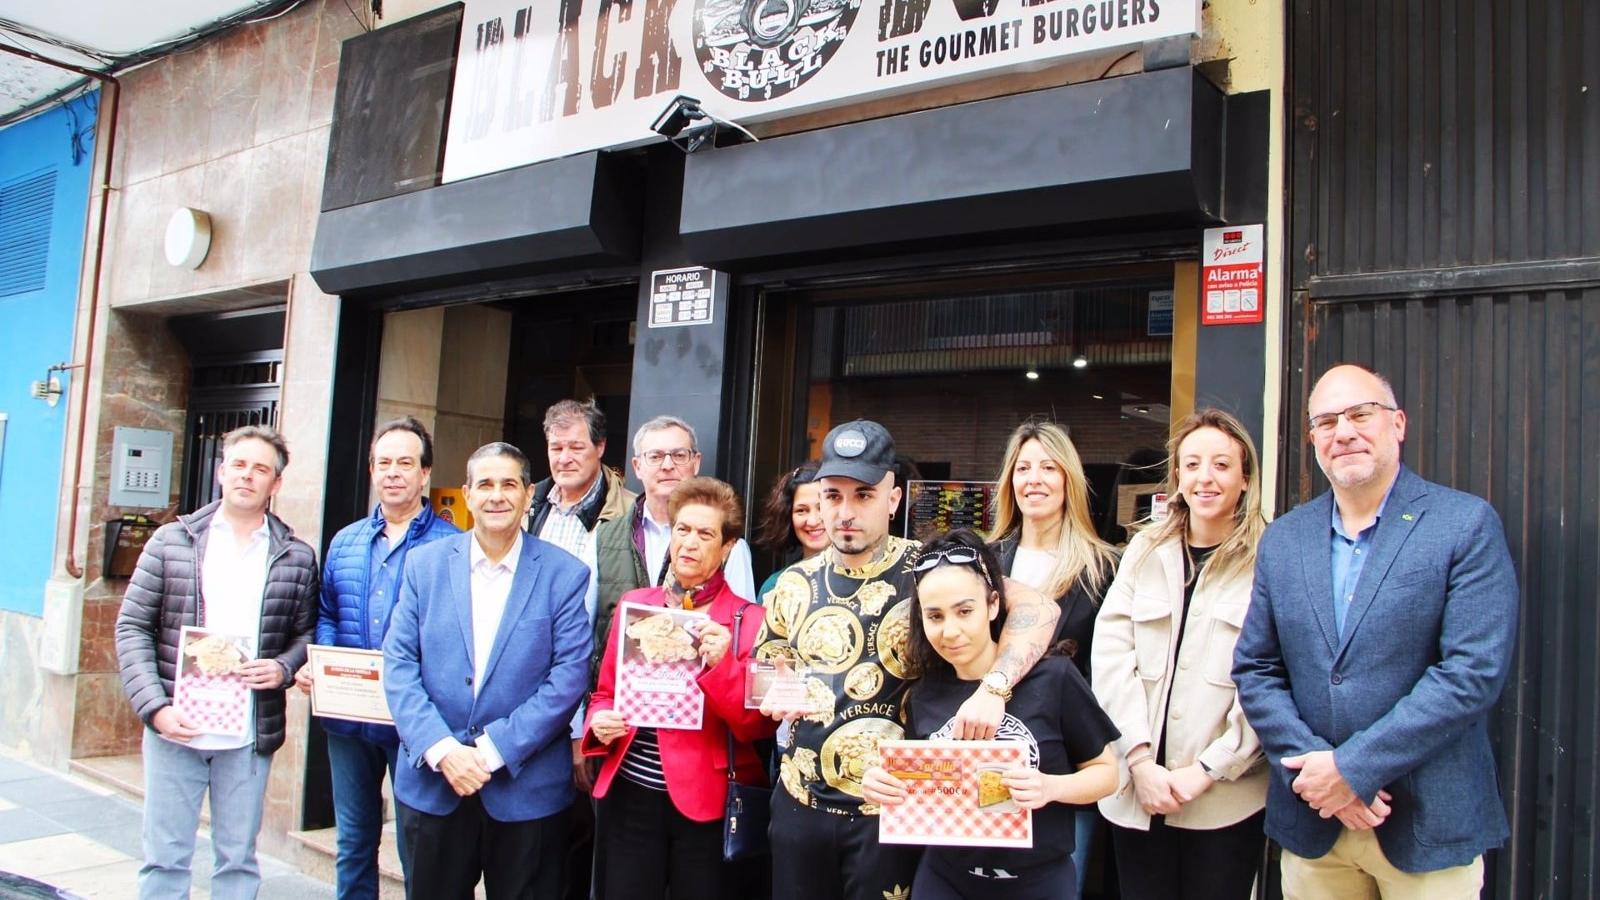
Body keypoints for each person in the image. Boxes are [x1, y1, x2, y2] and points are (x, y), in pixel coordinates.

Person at [1233, 364, 1519, 898]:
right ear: (1314, 438)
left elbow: (1471, 674)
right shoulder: (1285, 539)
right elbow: (1256, 668)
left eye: (1360, 414)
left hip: (1426, 823)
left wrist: (1352, 769)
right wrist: (1320, 778)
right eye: (1326, 421)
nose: (1343, 432)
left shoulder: (1464, 525)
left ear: (1398, 424)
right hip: (1315, 823)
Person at [756, 419, 1062, 900]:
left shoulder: (929, 567)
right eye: (833, 497)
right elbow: (769, 662)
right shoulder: (793, 582)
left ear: (893, 499)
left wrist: (994, 688)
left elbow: (1040, 607)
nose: (846, 512)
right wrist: (774, 688)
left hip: (897, 810)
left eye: (864, 495)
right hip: (799, 804)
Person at [114, 425, 319, 899]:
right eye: (240, 465)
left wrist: (284, 669)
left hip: (247, 733)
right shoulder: (172, 542)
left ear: (276, 483)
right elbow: (131, 628)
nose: (248, 476)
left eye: (261, 469)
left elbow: (306, 634)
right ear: (222, 471)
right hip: (175, 728)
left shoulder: (295, 556)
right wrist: (156, 709)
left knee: (238, 861)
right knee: (164, 859)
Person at [383, 442, 592, 898]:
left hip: (526, 790)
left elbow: (569, 677)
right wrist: (443, 749)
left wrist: (493, 750)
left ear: (528, 493)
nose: (497, 496)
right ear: (467, 494)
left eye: (509, 484)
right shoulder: (425, 566)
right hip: (434, 782)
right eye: (485, 485)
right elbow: (399, 665)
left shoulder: (564, 573)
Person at [862, 529, 1119, 899]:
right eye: (935, 616)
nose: (951, 631)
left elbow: (1108, 775)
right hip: (946, 878)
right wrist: (881, 784)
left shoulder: (1054, 679)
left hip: (1039, 880)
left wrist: (1050, 787)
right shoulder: (923, 692)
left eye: (965, 611)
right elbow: (922, 786)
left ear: (994, 605)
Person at [1090, 408, 1269, 900]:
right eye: (1191, 465)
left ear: (1245, 478)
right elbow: (1111, 657)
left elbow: (1271, 678)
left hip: (1225, 799)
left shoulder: (1270, 559)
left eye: (1220, 465)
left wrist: (1209, 769)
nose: (1204, 478)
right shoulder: (1145, 550)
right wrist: (1141, 763)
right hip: (1137, 791)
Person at [582, 477, 777, 899]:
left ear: (727, 548)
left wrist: (724, 664)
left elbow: (756, 727)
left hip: (707, 804)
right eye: (682, 530)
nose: (689, 542)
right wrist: (600, 721)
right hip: (630, 793)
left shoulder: (752, 622)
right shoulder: (638, 607)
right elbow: (603, 694)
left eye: (705, 533)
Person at [295, 417, 458, 899]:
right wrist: (321, 666)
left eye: (405, 463)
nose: (393, 473)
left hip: (415, 726)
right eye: (384, 463)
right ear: (371, 470)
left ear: (425, 473)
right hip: (349, 719)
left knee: (418, 844)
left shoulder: (449, 545)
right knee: (354, 841)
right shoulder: (345, 540)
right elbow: (328, 611)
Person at [987, 420, 1120, 893]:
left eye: (1048, 467)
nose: (1034, 479)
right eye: (1023, 468)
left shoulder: (1104, 567)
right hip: (989, 758)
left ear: (1069, 479)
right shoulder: (986, 561)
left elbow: (1112, 669)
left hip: (1069, 766)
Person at [593, 416, 756, 673]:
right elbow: (586, 628)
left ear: (696, 462)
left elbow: (741, 635)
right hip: (625, 695)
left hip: (698, 697)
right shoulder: (603, 538)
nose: (667, 465)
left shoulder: (730, 547)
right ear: (637, 466)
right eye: (655, 456)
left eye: (679, 455)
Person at [754, 463, 826, 602]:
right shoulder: (775, 585)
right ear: (788, 516)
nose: (812, 521)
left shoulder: (865, 581)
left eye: (821, 508)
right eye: (801, 510)